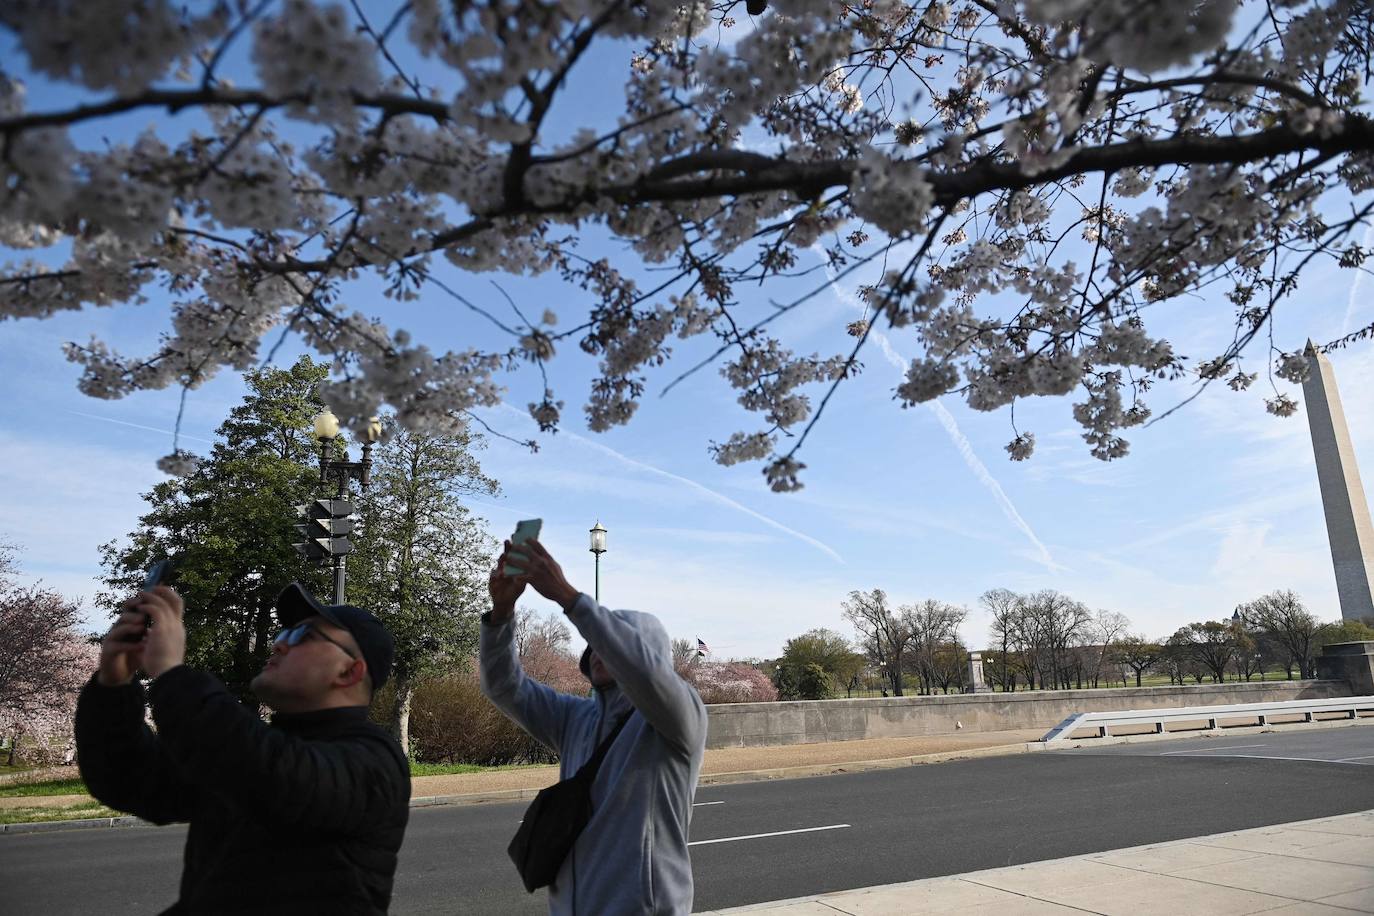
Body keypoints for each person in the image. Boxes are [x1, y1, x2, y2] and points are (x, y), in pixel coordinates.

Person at [74, 582, 411, 915]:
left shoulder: (377, 761)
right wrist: (113, 684)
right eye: (282, 635)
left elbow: (274, 776)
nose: (279, 645)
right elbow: (131, 779)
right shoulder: (243, 753)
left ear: (350, 671)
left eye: (301, 636)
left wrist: (172, 674)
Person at [483, 536, 708, 915]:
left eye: (614, 642)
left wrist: (567, 596)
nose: (600, 649)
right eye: (595, 643)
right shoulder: (576, 719)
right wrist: (502, 611)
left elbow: (643, 673)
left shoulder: (679, 721)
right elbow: (505, 687)